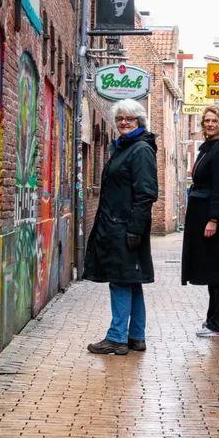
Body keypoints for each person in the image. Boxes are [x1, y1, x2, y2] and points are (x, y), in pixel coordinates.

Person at [83, 99, 158, 355]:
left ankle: (116, 337)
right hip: (119, 226)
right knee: (131, 280)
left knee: (119, 280)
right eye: (120, 119)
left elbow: (146, 193)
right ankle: (136, 336)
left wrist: (135, 229)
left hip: (125, 228)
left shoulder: (140, 150)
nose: (124, 122)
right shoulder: (125, 148)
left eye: (129, 118)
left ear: (139, 121)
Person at [182, 105, 219, 337]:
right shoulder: (208, 149)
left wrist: (213, 219)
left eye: (214, 120)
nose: (210, 124)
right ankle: (213, 319)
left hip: (213, 217)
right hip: (201, 215)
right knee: (210, 270)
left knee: (217, 271)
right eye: (206, 120)